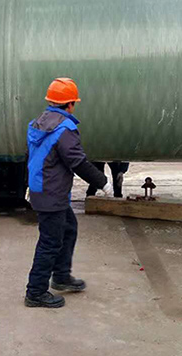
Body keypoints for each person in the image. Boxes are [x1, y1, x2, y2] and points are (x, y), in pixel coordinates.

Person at [25, 77, 112, 308]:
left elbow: (31, 156)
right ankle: (35, 292)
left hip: (44, 189)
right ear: (70, 104)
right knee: (50, 242)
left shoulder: (38, 123)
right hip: (51, 193)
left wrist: (30, 184)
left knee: (69, 228)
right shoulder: (65, 129)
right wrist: (102, 182)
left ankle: (61, 276)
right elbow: (78, 162)